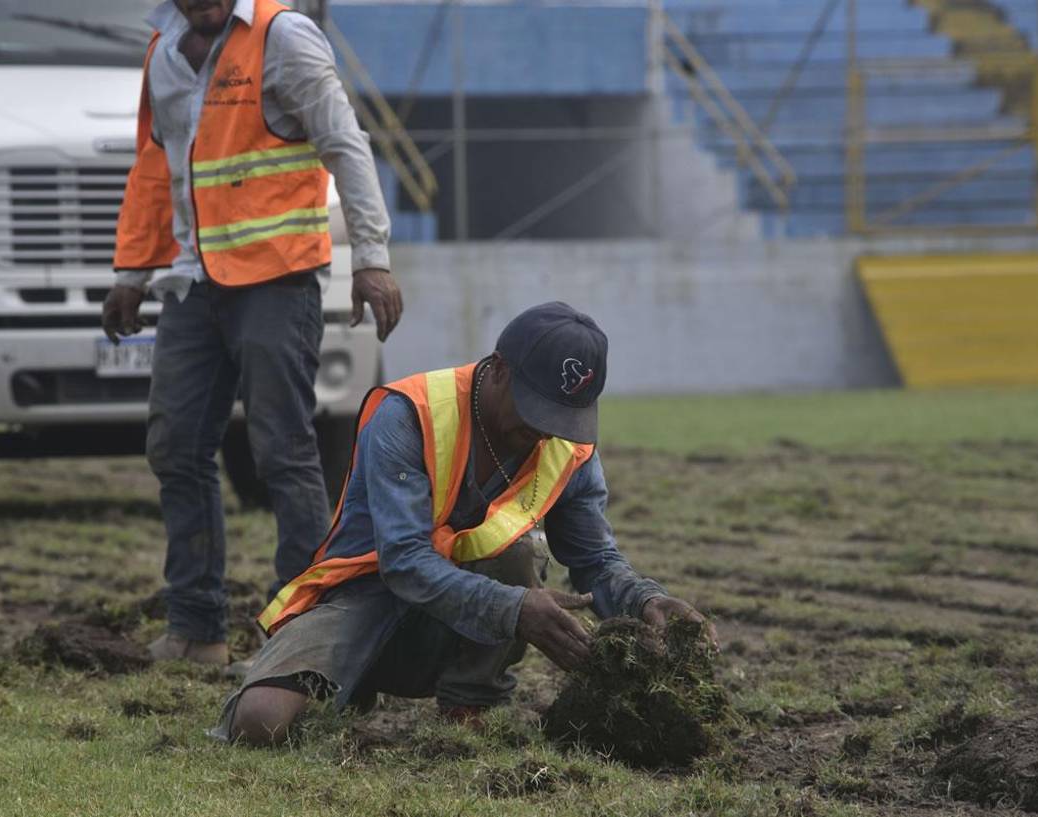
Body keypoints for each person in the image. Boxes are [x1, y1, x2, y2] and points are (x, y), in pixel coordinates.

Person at [213, 302, 719, 745]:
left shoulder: (567, 444)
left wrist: (646, 599)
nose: (545, 429)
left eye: (562, 417)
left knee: (516, 552)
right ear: (498, 369)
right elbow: (405, 564)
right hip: (367, 595)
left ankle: (469, 701)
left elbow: (594, 559)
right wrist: (516, 610)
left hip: (461, 624)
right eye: (535, 407)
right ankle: (353, 677)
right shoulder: (408, 415)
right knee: (260, 723)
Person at [101, 0, 402, 665]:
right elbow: (156, 168)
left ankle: (294, 635)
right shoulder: (165, 52)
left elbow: (345, 144)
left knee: (282, 454)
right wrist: (131, 271)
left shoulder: (283, 37)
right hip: (192, 284)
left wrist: (372, 260)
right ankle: (195, 627)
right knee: (175, 447)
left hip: (277, 280)